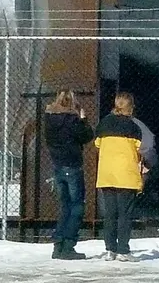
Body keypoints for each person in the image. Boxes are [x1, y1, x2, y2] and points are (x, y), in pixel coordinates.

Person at [94, 90, 155, 261]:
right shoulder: (133, 127)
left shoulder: (103, 124)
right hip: (126, 175)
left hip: (106, 174)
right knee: (124, 214)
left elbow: (97, 145)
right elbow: (143, 150)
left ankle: (110, 250)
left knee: (110, 213)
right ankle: (123, 250)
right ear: (131, 107)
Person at [43, 90, 93, 260]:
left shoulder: (49, 120)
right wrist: (83, 119)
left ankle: (58, 244)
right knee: (77, 206)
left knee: (65, 206)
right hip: (72, 166)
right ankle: (68, 244)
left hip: (57, 166)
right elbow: (87, 136)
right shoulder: (72, 121)